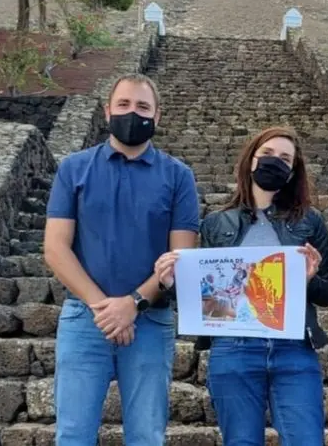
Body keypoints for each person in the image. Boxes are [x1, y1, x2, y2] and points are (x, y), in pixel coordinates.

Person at [153, 126, 328, 446]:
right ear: (250, 161)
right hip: (233, 349)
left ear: (293, 171)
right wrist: (171, 284)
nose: (274, 162)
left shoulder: (310, 221)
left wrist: (308, 279)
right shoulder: (215, 224)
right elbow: (206, 299)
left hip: (294, 349)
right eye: (266, 154)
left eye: (285, 158)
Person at [43, 73, 200, 445]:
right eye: (125, 104)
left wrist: (133, 303)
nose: (134, 113)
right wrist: (107, 309)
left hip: (150, 320)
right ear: (107, 110)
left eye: (143, 107)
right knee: (73, 434)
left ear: (157, 116)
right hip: (85, 319)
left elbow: (181, 255)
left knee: (147, 435)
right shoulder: (74, 169)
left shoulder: (178, 177)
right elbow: (55, 247)